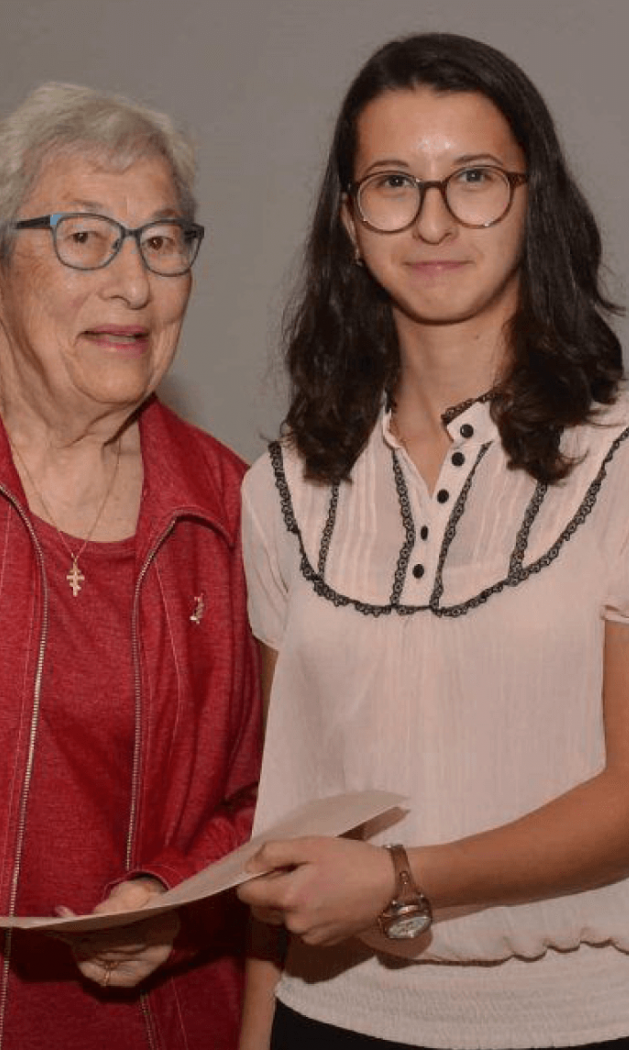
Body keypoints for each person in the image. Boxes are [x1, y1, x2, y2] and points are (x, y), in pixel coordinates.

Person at [238, 32, 629, 1050]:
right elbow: (288, 826)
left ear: (532, 199)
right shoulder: (279, 489)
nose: (434, 217)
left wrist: (407, 878)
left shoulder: (620, 458)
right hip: (325, 1015)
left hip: (579, 1022)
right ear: (348, 220)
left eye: (474, 178)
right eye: (393, 182)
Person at [0, 82, 260, 1050]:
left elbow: (283, 793)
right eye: (83, 237)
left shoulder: (239, 514)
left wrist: (176, 891)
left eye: (160, 243)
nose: (133, 284)